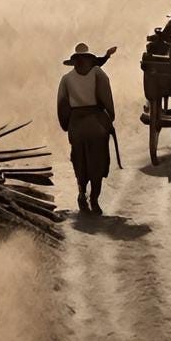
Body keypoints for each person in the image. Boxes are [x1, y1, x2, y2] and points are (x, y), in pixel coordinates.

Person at [57, 42, 116, 214]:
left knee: (79, 159)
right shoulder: (98, 73)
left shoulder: (66, 79)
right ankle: (94, 200)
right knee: (98, 160)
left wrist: (67, 125)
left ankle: (82, 192)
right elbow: (107, 97)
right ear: (89, 59)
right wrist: (109, 118)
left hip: (76, 123)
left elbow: (62, 105)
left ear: (74, 61)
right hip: (95, 121)